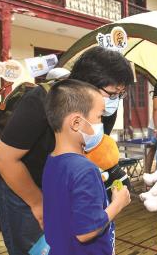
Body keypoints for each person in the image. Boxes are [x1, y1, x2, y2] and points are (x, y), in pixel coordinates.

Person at [0, 46, 134, 254]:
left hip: (59, 183)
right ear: (86, 86)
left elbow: (90, 148)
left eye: (121, 94)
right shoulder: (41, 100)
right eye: (112, 93)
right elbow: (4, 159)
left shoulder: (103, 104)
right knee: (33, 247)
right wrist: (38, 203)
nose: (114, 102)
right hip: (19, 182)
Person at [43, 79, 130, 254]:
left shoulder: (52, 160)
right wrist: (118, 203)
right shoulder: (84, 168)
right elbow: (86, 231)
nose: (101, 123)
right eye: (98, 117)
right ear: (76, 123)